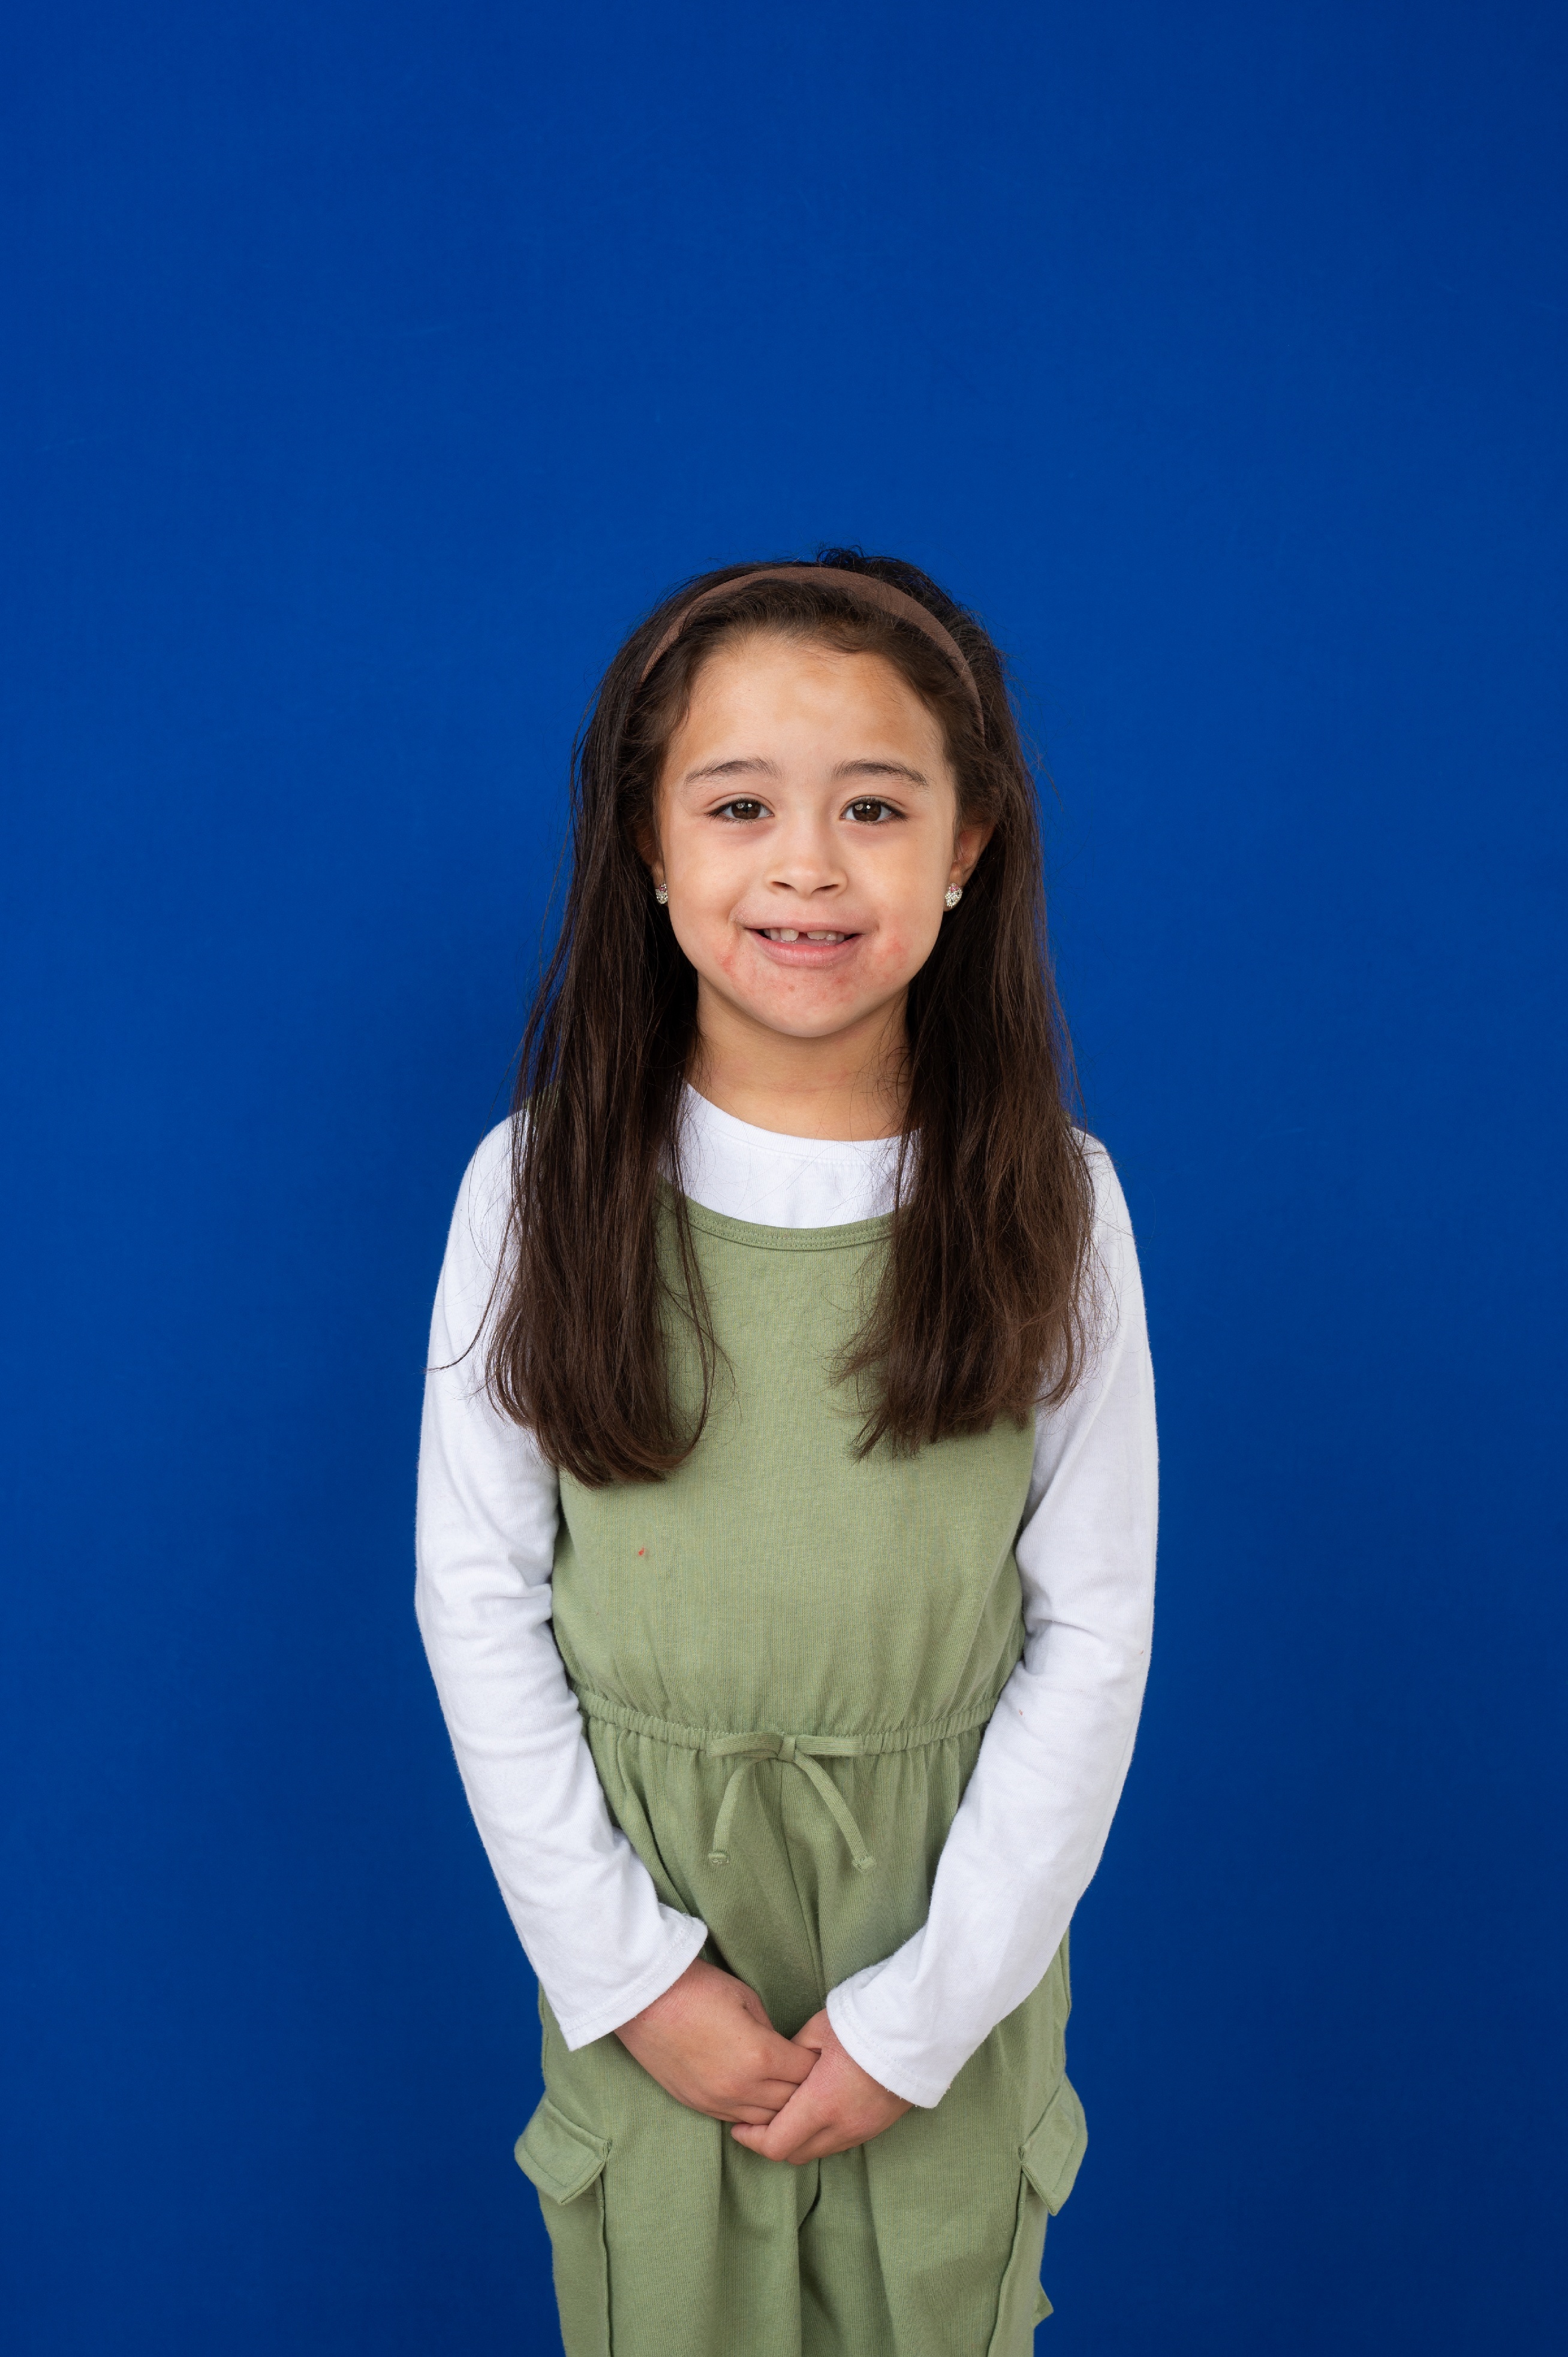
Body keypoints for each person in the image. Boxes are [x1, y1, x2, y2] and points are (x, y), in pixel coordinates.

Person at [416, 553, 1157, 2356]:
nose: (807, 864)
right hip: (650, 1934)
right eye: (739, 805)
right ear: (649, 846)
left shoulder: (1054, 1205)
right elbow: (477, 1597)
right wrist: (631, 1975)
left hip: (948, 1942)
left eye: (875, 808)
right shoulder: (536, 1189)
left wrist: (926, 2016)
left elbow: (1094, 1631)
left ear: (969, 844)